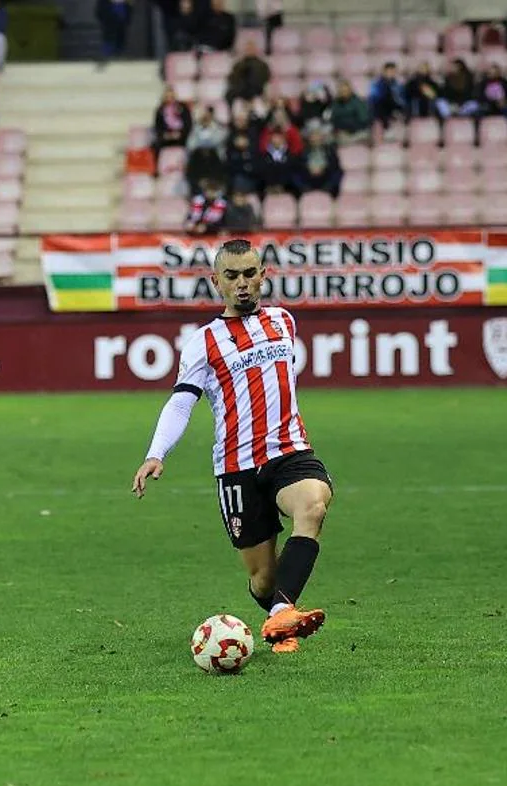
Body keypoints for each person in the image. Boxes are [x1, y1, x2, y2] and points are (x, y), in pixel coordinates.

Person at [133, 239, 333, 655]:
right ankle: (278, 614)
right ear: (216, 282)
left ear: (263, 275)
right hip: (236, 468)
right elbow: (182, 400)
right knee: (263, 577)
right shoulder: (203, 342)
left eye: (249, 273)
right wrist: (157, 452)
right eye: (231, 276)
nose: (242, 284)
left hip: (289, 451)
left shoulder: (283, 321)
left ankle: (281, 611)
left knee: (313, 503)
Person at [152, 85, 192, 160]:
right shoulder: (160, 110)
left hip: (181, 136)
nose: (170, 98)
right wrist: (165, 135)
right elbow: (157, 126)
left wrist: (180, 134)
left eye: (171, 96)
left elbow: (188, 123)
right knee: (155, 146)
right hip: (166, 137)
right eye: (168, 96)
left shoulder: (183, 108)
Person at [329, 79, 370, 145]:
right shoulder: (335, 103)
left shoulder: (358, 102)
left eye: (345, 91)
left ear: (350, 90)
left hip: (356, 132)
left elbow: (364, 120)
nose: (343, 93)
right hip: (340, 133)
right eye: (341, 91)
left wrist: (348, 128)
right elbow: (332, 119)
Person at [369, 62, 406, 133]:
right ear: (384, 71)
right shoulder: (376, 84)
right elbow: (375, 98)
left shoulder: (397, 84)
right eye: (389, 71)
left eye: (393, 71)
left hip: (394, 107)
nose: (391, 73)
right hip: (381, 108)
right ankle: (386, 128)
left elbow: (401, 98)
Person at [477, 62, 507, 128]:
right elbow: (479, 97)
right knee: (478, 113)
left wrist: (505, 101)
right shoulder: (483, 83)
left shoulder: (505, 82)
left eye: (495, 72)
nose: (493, 74)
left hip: (501, 106)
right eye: (491, 73)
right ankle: (478, 133)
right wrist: (490, 100)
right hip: (489, 105)